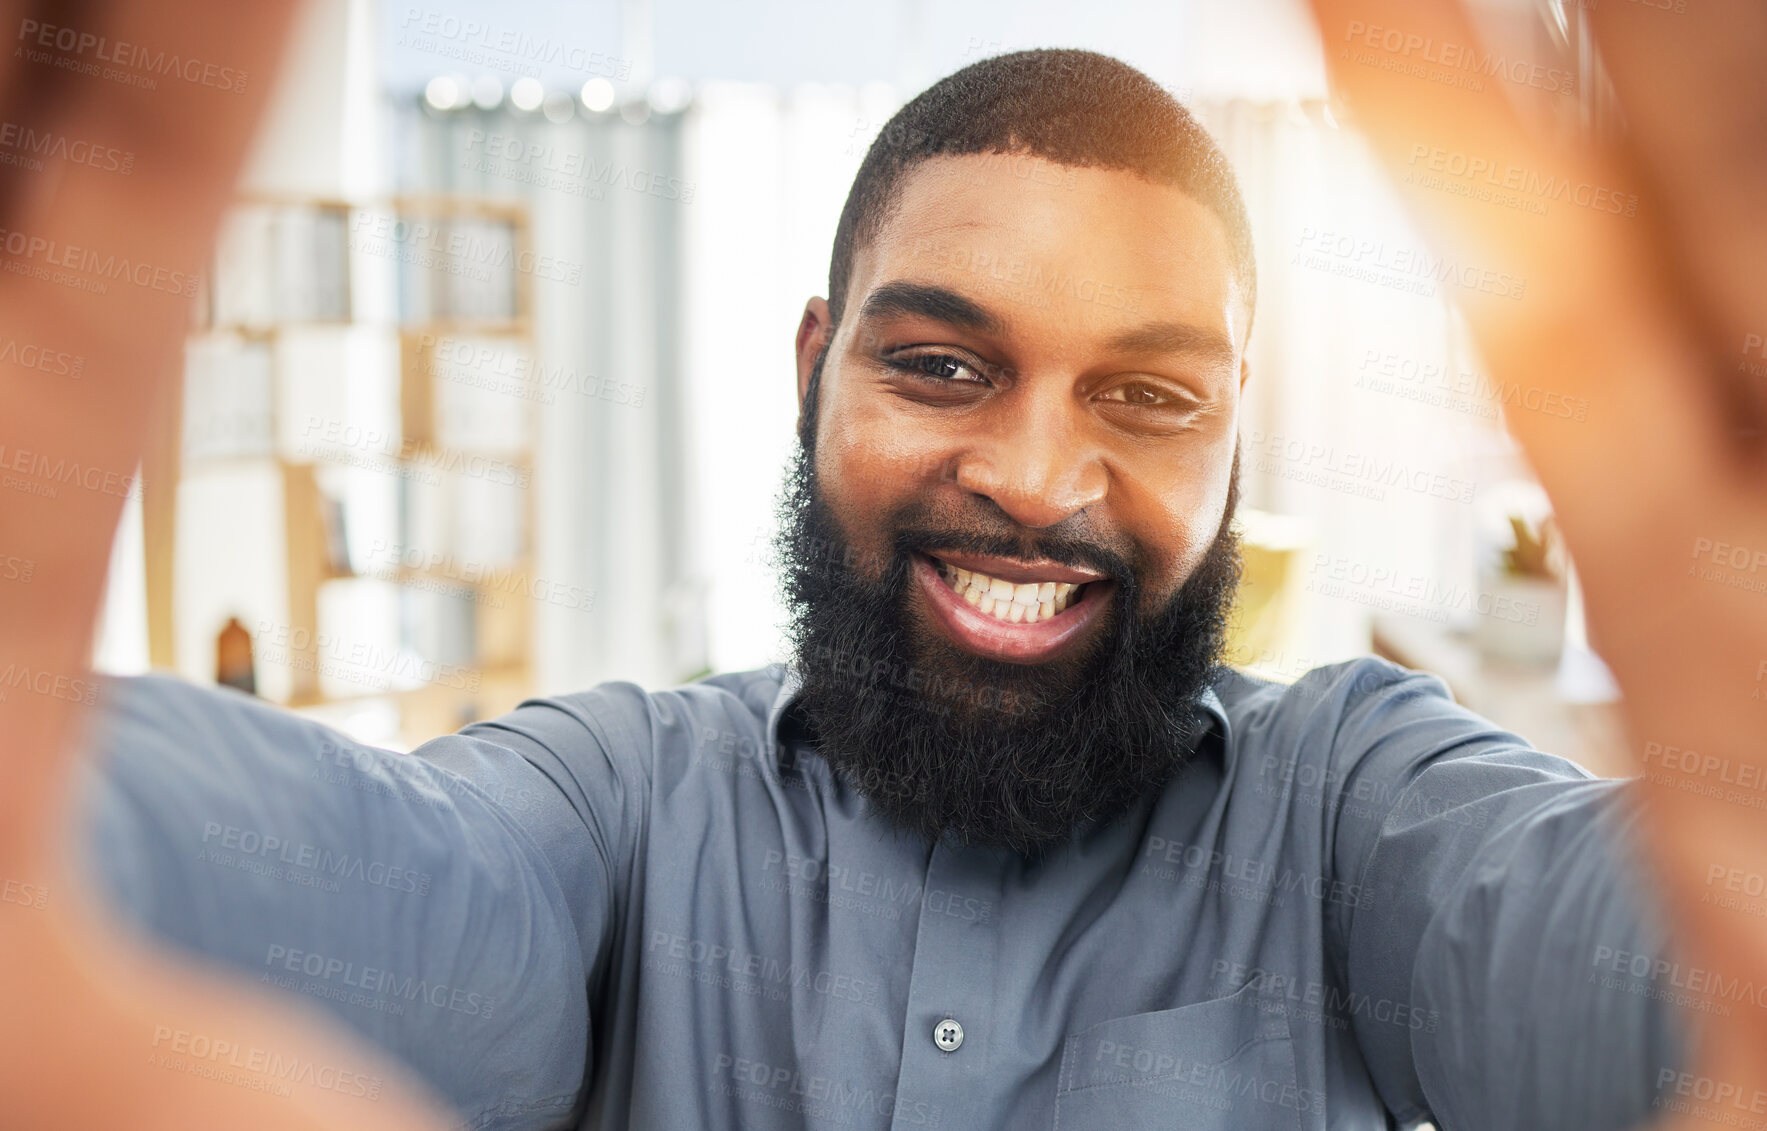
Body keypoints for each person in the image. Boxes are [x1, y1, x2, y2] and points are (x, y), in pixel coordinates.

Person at [3, 5, 1764, 1131]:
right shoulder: (624, 805)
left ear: (1239, 449)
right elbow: (379, 882)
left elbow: (1638, 965)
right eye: (941, 364)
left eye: (1148, 396)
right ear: (811, 375)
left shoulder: (1356, 812)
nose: (1030, 477)